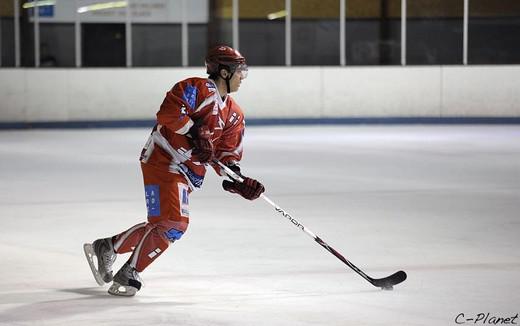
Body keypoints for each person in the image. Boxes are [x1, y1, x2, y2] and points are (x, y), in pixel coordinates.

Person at [83, 45, 265, 297]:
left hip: (188, 172)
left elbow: (225, 156)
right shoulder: (196, 88)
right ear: (224, 71)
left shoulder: (234, 114)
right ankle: (129, 272)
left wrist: (237, 179)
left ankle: (108, 247)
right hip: (163, 160)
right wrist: (194, 131)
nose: (243, 76)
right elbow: (168, 113)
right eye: (240, 70)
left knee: (161, 224)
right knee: (174, 224)